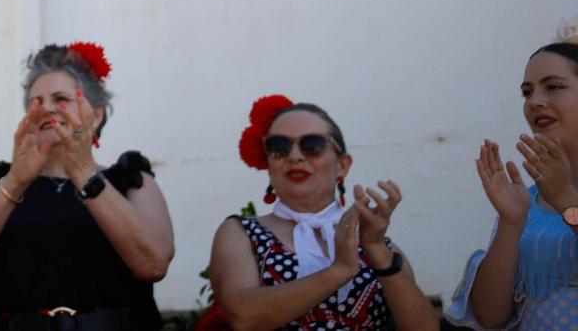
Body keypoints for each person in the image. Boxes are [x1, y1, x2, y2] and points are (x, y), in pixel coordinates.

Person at [0, 43, 174, 330]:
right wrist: (16, 181)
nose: (46, 108)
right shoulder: (2, 182)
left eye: (61, 98)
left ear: (95, 115)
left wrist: (85, 173)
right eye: (36, 102)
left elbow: (154, 263)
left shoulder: (128, 178)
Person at [208, 96, 436, 331]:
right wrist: (338, 271)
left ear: (342, 165)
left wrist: (377, 250)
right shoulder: (241, 232)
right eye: (279, 147)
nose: (295, 156)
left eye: (313, 146)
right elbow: (244, 317)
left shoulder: (377, 243)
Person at [446, 40, 578, 329]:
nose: (534, 102)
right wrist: (512, 221)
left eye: (553, 86)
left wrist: (567, 201)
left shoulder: (559, 196)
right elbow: (491, 317)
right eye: (527, 92)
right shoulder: (527, 202)